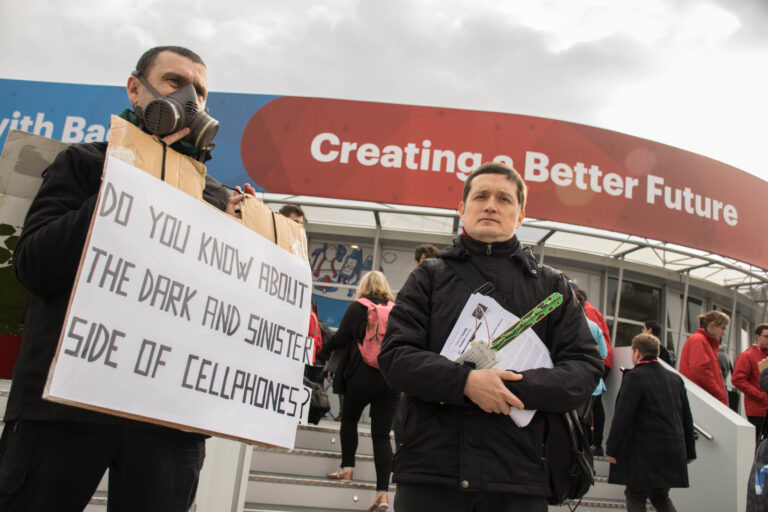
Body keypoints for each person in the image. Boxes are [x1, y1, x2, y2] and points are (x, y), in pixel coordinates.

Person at [0, 46, 252, 511]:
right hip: (60, 408)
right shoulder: (85, 165)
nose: (190, 97)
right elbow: (34, 267)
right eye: (175, 81)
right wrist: (123, 187)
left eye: (201, 90)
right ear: (136, 89)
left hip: (167, 418)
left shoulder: (215, 197)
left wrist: (241, 240)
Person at [378, 162, 603, 512]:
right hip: (432, 474)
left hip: (518, 476)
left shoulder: (550, 286)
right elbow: (394, 356)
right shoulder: (429, 277)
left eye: (504, 199)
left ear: (521, 215)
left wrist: (509, 388)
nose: (490, 205)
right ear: (462, 209)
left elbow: (585, 368)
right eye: (480, 196)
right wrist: (466, 382)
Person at [316, 271, 399, 512]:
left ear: (362, 286)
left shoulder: (357, 308)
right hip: (389, 379)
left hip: (360, 375)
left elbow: (340, 339)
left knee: (350, 420)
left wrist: (320, 353)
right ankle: (382, 494)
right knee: (382, 436)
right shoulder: (396, 310)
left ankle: (347, 467)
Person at [606, 333, 696, 512]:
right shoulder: (675, 379)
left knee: (635, 494)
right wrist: (689, 449)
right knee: (660, 495)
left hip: (643, 451)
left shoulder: (635, 377)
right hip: (672, 449)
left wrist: (612, 448)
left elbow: (623, 416)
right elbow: (686, 417)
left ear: (637, 352)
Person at [573, 286, 612, 456]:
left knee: (576, 420)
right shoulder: (594, 326)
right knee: (591, 417)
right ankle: (593, 448)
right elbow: (603, 353)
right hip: (594, 383)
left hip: (574, 380)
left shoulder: (568, 325)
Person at [679, 310, 730, 406]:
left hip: (704, 398)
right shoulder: (699, 340)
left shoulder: (704, 341)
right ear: (712, 325)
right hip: (704, 399)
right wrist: (719, 394)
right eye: (722, 328)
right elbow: (700, 370)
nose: (723, 332)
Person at [732, 324, 768, 441]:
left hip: (762, 408)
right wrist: (761, 396)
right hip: (758, 410)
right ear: (757, 336)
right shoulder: (747, 355)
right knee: (758, 446)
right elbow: (738, 379)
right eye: (766, 336)